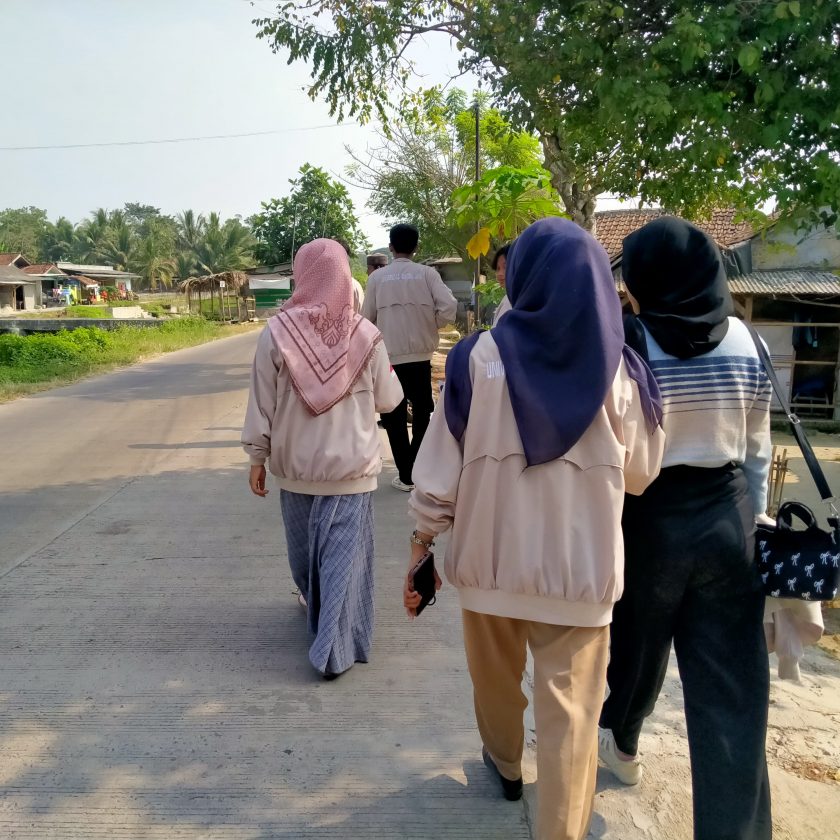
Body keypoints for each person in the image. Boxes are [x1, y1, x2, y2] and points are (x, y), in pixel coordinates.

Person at [404, 218, 665, 840]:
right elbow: (641, 474)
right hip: (580, 574)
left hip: (490, 563)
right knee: (572, 716)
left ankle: (504, 763)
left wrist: (421, 543)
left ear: (521, 277)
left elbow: (438, 470)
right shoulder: (620, 371)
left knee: (494, 683)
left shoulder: (475, 359)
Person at [598, 218, 773, 840]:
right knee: (733, 686)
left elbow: (611, 441)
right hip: (728, 516)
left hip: (649, 516)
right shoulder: (749, 340)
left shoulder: (629, 340)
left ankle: (622, 743)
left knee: (637, 649)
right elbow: (757, 449)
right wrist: (754, 524)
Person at [242, 238, 403, 680]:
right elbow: (391, 400)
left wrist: (257, 457)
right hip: (352, 470)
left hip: (296, 469)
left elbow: (261, 402)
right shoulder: (365, 335)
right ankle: (334, 636)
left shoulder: (276, 332)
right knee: (341, 564)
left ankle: (330, 647)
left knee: (305, 560)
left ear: (302, 275)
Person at [362, 223, 458, 492]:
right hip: (421, 357)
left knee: (393, 415)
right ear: (416, 247)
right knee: (423, 411)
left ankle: (405, 474)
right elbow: (449, 306)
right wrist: (432, 323)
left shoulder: (377, 279)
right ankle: (416, 464)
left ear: (391, 247)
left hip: (389, 359)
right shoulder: (427, 274)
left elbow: (366, 318)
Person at [491, 244, 511, 326]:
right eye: (498, 268)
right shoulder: (508, 298)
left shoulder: (514, 301)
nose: (499, 274)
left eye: (505, 267)